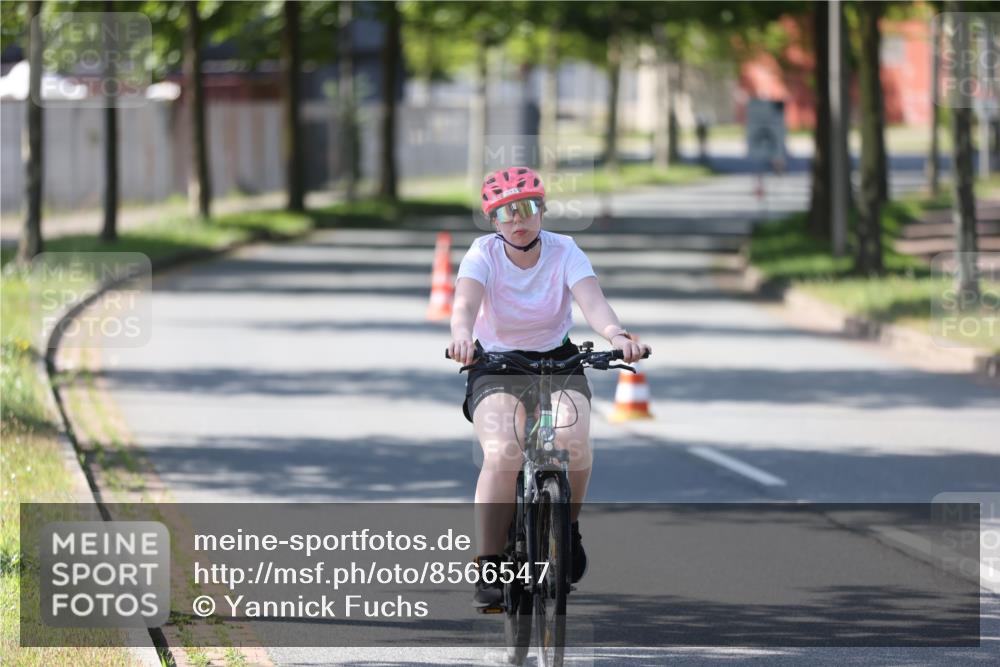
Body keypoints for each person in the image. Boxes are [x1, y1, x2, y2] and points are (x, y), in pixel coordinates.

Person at [447, 166, 652, 608]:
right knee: (503, 452)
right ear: (492, 220)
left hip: (559, 361)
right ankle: (490, 563)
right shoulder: (482, 254)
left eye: (526, 208)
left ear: (542, 209)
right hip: (496, 364)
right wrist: (462, 336)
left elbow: (592, 301)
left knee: (574, 442)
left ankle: (565, 528)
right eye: (504, 213)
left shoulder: (565, 250)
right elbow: (464, 302)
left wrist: (616, 335)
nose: (517, 220)